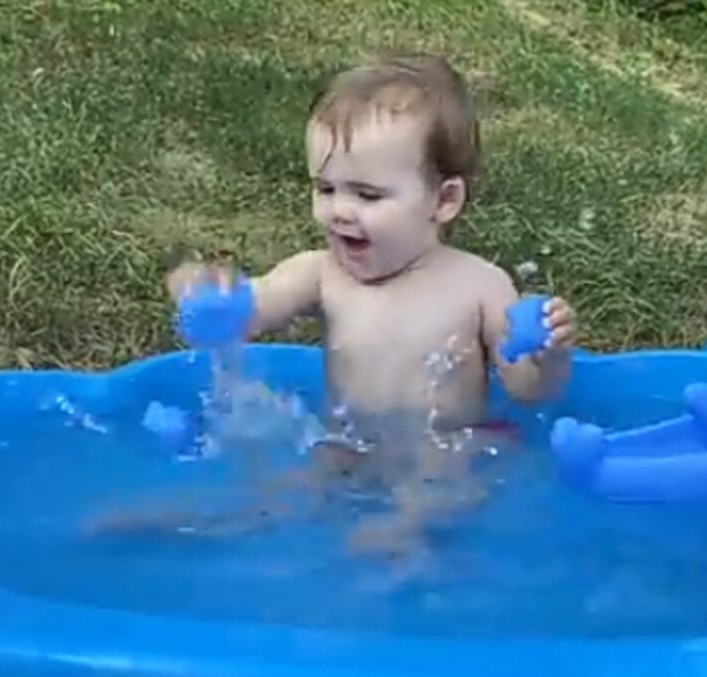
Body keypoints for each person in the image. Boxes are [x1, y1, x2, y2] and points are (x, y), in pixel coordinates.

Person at [165, 52, 578, 554]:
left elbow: (528, 390)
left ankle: (405, 545)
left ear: (443, 201)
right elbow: (248, 313)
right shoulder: (319, 273)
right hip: (348, 446)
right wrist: (205, 294)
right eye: (326, 188)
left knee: (433, 496)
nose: (340, 211)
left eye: (367, 194)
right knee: (279, 500)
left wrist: (547, 357)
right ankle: (189, 528)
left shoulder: (480, 285)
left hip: (446, 446)